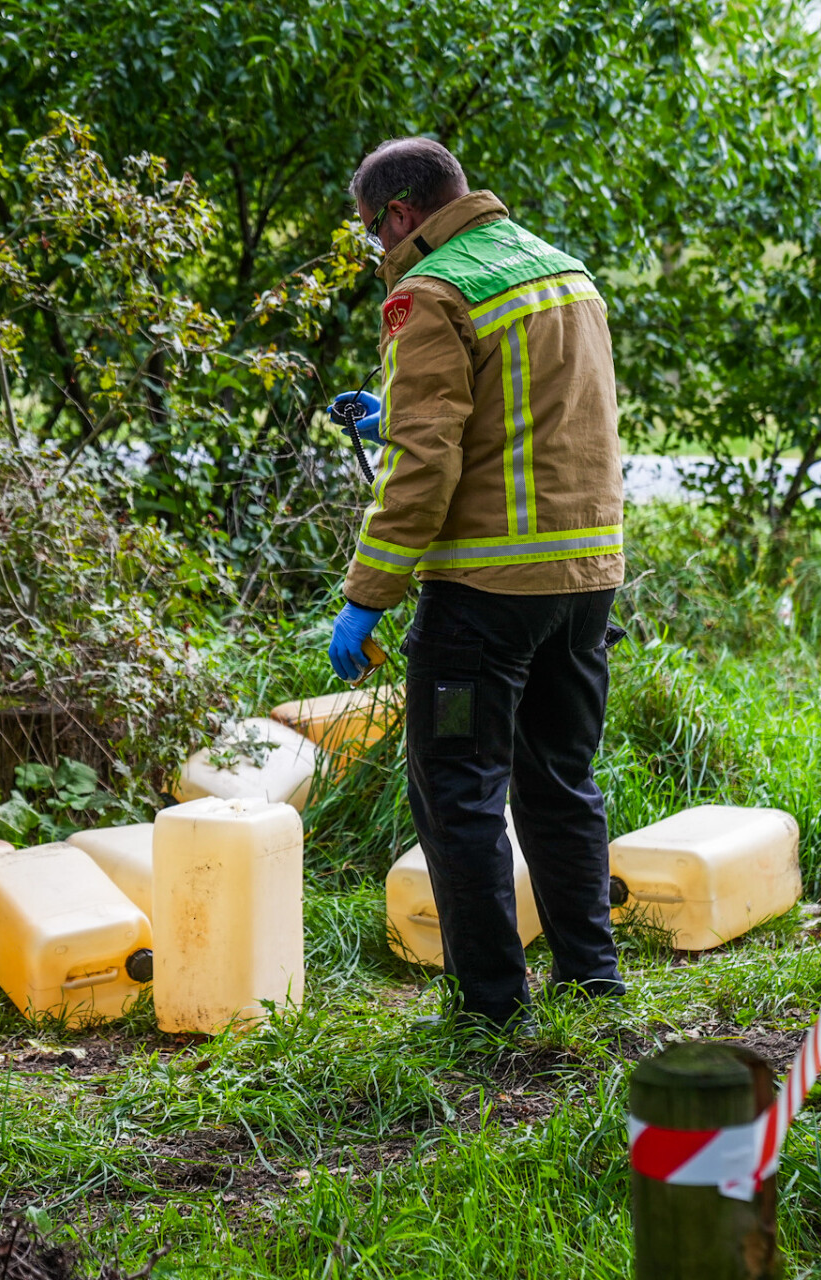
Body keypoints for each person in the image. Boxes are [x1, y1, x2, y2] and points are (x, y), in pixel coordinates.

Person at [326, 137, 626, 1030]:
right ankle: (592, 980)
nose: (376, 253)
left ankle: (493, 1013)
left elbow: (424, 469)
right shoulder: (561, 271)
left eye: (371, 234)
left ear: (399, 217)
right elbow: (543, 414)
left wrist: (366, 594)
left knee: (458, 794)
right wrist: (401, 415)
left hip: (486, 600)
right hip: (585, 584)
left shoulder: (435, 293)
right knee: (560, 780)